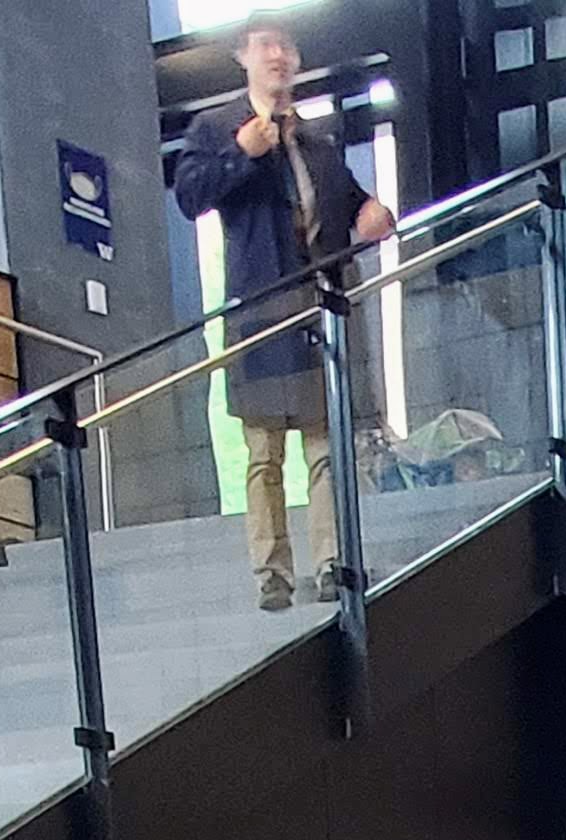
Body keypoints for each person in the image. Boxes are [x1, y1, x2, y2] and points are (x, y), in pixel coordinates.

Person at [167, 18, 396, 614]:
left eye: (286, 47)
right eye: (266, 46)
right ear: (243, 57)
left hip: (320, 305)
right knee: (263, 450)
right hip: (261, 309)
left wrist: (373, 213)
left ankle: (331, 564)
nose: (278, 55)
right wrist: (242, 154)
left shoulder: (317, 141)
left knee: (325, 445)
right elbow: (191, 195)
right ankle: (271, 573)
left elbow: (347, 206)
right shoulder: (215, 127)